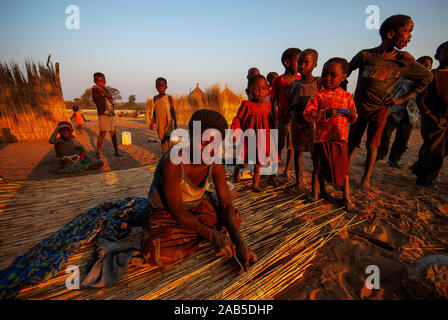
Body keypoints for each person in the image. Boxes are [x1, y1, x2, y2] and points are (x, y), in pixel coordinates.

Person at [141, 109, 257, 272]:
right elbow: (178, 211)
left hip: (194, 207)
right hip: (167, 212)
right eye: (203, 142)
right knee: (154, 253)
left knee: (234, 217)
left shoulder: (215, 163)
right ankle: (212, 236)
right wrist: (213, 235)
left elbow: (226, 205)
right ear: (190, 136)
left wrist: (240, 243)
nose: (208, 150)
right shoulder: (173, 162)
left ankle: (209, 236)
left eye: (215, 145)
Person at [345, 14, 433, 190]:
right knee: (352, 143)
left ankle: (366, 179)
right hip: (358, 108)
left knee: (372, 145)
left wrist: (401, 98)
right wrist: (344, 95)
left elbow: (427, 76)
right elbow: (344, 72)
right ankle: (344, 175)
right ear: (391, 34)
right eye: (407, 32)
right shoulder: (366, 55)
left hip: (380, 109)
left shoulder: (404, 60)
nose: (410, 36)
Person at [303, 58, 357, 211]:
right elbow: (307, 114)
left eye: (333, 75)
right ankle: (315, 195)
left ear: (343, 77)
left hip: (340, 139)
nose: (328, 78)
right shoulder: (318, 97)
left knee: (343, 170)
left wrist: (352, 115)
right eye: (325, 74)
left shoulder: (347, 97)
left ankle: (346, 198)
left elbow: (353, 118)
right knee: (318, 168)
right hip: (321, 139)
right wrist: (324, 114)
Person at [377, 56, 433, 167]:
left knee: (402, 139)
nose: (423, 66)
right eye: (421, 63)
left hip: (411, 114)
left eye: (427, 65)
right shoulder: (403, 77)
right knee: (384, 135)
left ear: (430, 68)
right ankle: (378, 156)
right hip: (394, 110)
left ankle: (394, 159)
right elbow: (391, 90)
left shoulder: (427, 82)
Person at [410, 41, 448, 188]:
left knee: (442, 150)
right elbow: (421, 98)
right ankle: (425, 179)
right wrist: (428, 114)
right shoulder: (432, 76)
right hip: (433, 117)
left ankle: (419, 167)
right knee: (434, 150)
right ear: (438, 55)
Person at [231, 75, 274, 192]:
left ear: (267, 90)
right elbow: (238, 119)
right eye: (256, 88)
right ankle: (237, 170)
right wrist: (235, 133)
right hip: (248, 139)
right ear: (249, 90)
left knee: (258, 163)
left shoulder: (268, 105)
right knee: (245, 163)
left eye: (263, 88)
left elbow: (271, 121)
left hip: (262, 139)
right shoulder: (246, 105)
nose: (260, 92)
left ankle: (254, 184)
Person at [287, 49, 322, 191]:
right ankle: (298, 181)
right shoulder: (294, 85)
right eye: (300, 63)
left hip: (312, 127)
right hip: (297, 125)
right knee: (297, 154)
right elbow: (289, 104)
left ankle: (317, 185)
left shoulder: (318, 83)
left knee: (315, 156)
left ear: (315, 64)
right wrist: (294, 107)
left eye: (306, 63)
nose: (302, 66)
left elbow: (323, 101)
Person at [270, 48, 302, 179]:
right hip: (282, 119)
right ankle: (273, 171)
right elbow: (273, 100)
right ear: (287, 63)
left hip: (295, 121)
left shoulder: (300, 79)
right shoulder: (279, 80)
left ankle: (287, 171)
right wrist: (274, 117)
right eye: (298, 62)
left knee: (292, 146)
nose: (300, 66)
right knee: (279, 145)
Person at [92, 72, 121, 158]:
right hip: (103, 114)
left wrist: (104, 93)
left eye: (102, 81)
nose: (100, 82)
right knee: (102, 134)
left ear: (105, 81)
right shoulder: (95, 89)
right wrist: (104, 93)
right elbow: (108, 96)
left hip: (110, 114)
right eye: (98, 81)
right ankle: (97, 152)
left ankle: (116, 152)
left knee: (113, 134)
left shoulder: (105, 89)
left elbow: (109, 96)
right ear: (95, 81)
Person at [149, 77, 177, 153]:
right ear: (156, 87)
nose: (160, 88)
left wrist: (175, 122)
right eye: (158, 86)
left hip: (168, 122)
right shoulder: (155, 98)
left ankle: (170, 153)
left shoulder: (169, 98)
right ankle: (164, 153)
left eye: (162, 86)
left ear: (166, 87)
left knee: (169, 139)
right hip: (159, 122)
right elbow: (155, 111)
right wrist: (152, 122)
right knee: (162, 139)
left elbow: (172, 110)